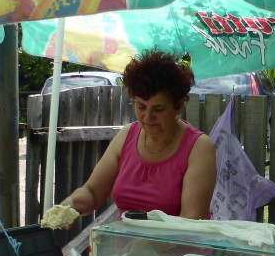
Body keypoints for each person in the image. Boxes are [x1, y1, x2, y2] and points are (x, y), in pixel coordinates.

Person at [59, 49, 216, 219]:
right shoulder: (127, 136)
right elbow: (92, 192)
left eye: (159, 109)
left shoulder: (199, 147)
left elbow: (190, 221)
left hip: (176, 245)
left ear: (178, 106)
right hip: (122, 244)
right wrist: (72, 203)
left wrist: (143, 246)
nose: (148, 117)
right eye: (141, 106)